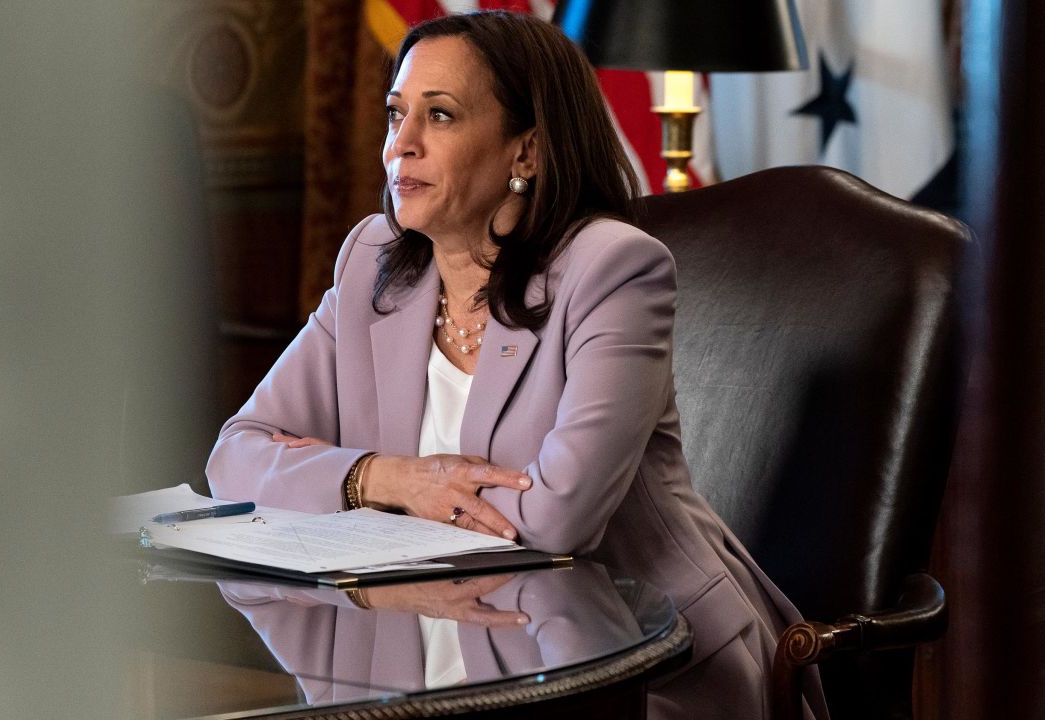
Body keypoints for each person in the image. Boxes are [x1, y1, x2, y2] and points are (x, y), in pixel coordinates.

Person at [206, 10, 826, 720]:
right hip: (418, 651)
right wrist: (386, 477)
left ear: (525, 153)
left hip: (635, 668)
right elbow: (235, 457)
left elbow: (560, 517)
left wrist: (338, 488)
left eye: (438, 116)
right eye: (394, 114)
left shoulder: (613, 271)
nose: (399, 146)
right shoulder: (372, 263)